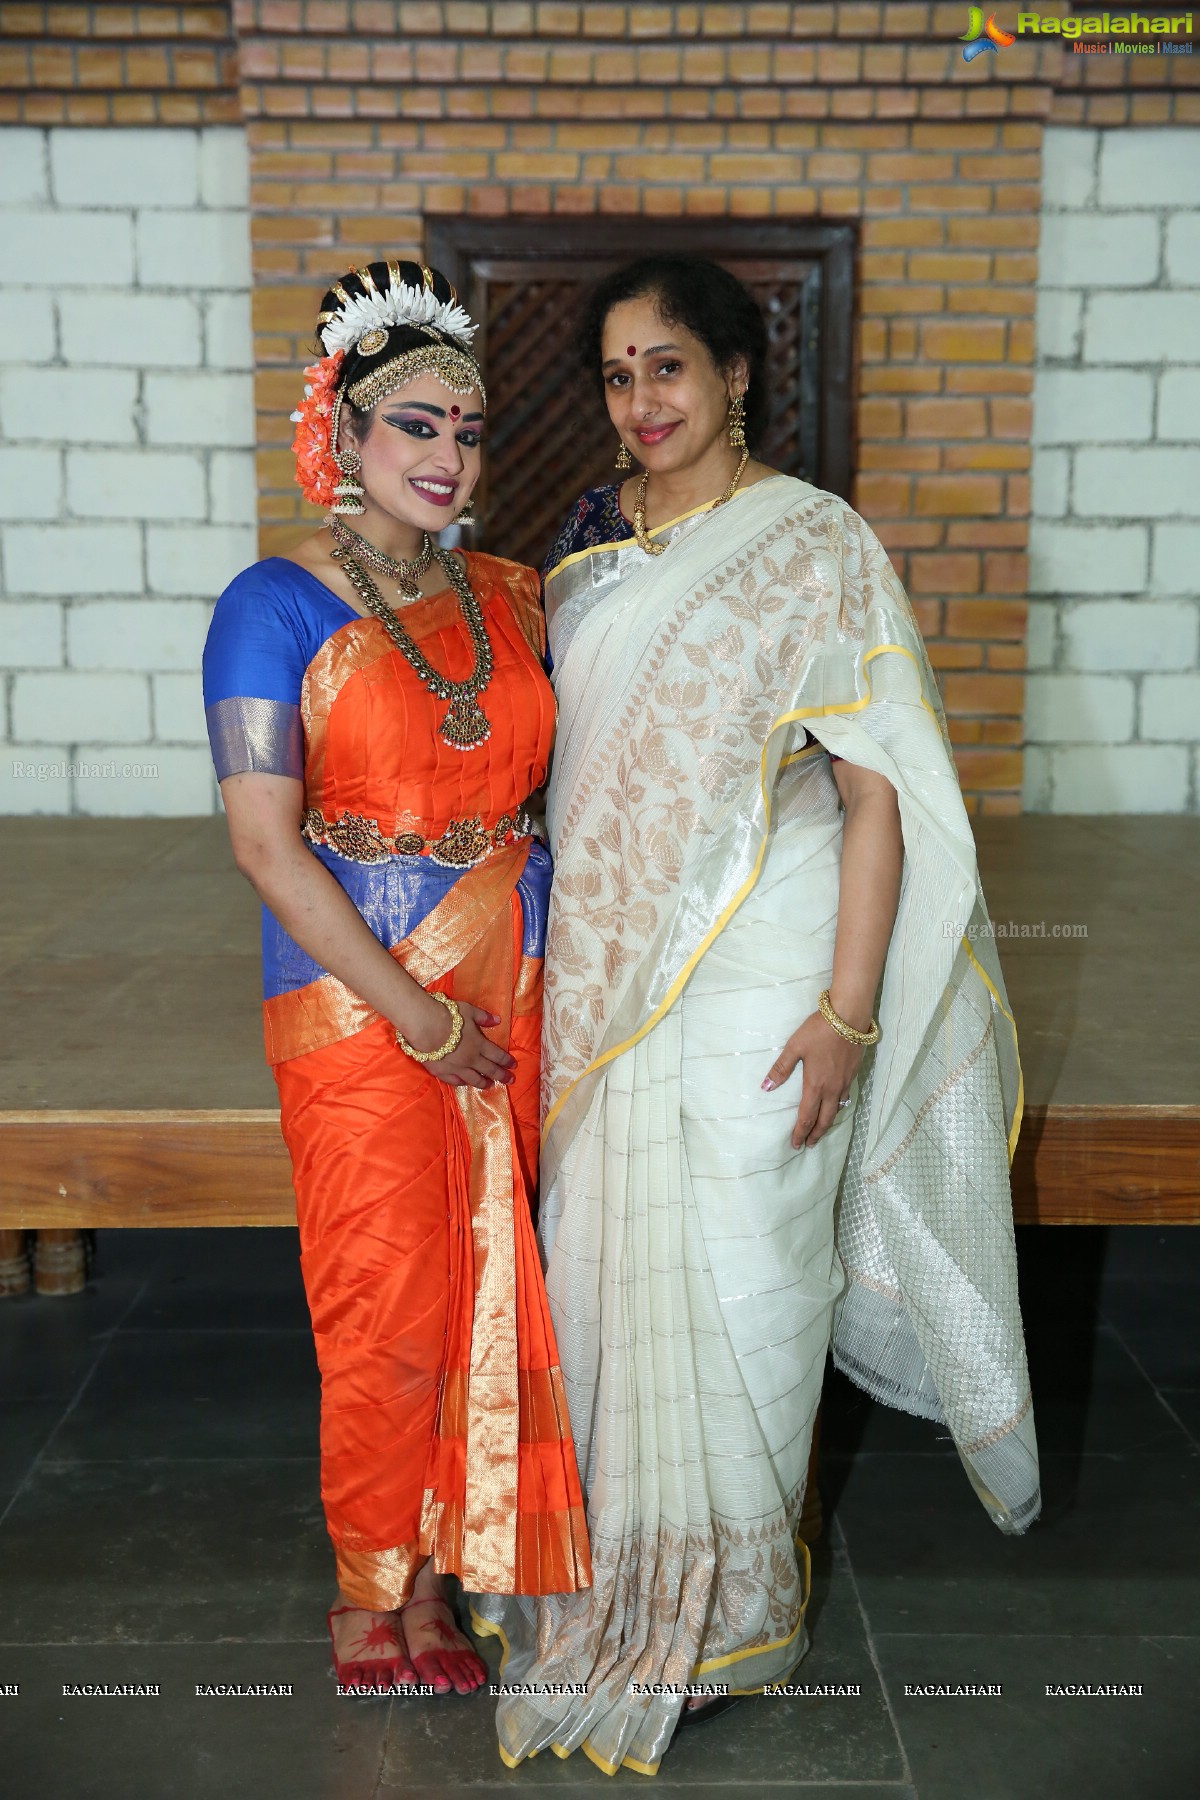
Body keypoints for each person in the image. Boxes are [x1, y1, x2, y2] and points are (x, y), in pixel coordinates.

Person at [472, 256, 1040, 1775]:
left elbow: (877, 798)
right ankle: (606, 1583)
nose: (642, 401)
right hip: (606, 983)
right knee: (604, 1263)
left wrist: (851, 1015)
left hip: (766, 967)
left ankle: (725, 1603)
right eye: (615, 375)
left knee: (740, 1256)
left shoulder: (811, 544)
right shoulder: (584, 563)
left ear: (735, 376)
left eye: (669, 367)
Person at [201, 260, 590, 1699]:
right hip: (363, 997)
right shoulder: (271, 605)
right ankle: (376, 1591)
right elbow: (262, 839)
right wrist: (421, 1017)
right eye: (412, 427)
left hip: (519, 975)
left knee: (497, 1271)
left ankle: (458, 1563)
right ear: (344, 437)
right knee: (385, 1291)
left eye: (466, 432)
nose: (444, 457)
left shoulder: (512, 592)